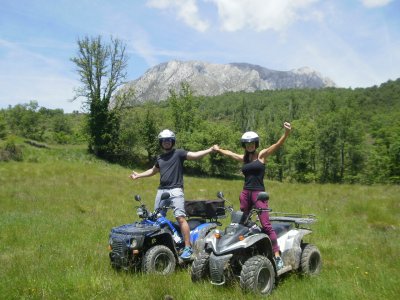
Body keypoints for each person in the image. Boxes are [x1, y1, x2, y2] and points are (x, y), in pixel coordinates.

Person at [129, 129, 217, 260]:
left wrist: (209, 150)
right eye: (164, 140)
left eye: (169, 140)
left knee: (180, 217)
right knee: (156, 218)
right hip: (161, 190)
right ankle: (162, 244)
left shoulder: (179, 153)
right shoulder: (160, 158)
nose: (166, 142)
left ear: (172, 141)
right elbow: (153, 171)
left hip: (176, 190)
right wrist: (138, 175)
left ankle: (187, 247)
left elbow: (194, 155)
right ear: (161, 142)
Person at [215, 122, 292, 270]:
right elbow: (230, 154)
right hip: (245, 193)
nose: (250, 146)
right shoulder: (244, 158)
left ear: (256, 144)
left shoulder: (262, 155)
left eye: (252, 143)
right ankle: (244, 252)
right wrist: (218, 150)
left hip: (259, 194)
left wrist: (286, 133)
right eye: (247, 144)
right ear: (244, 145)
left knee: (266, 225)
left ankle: (276, 256)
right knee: (242, 222)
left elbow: (276, 145)